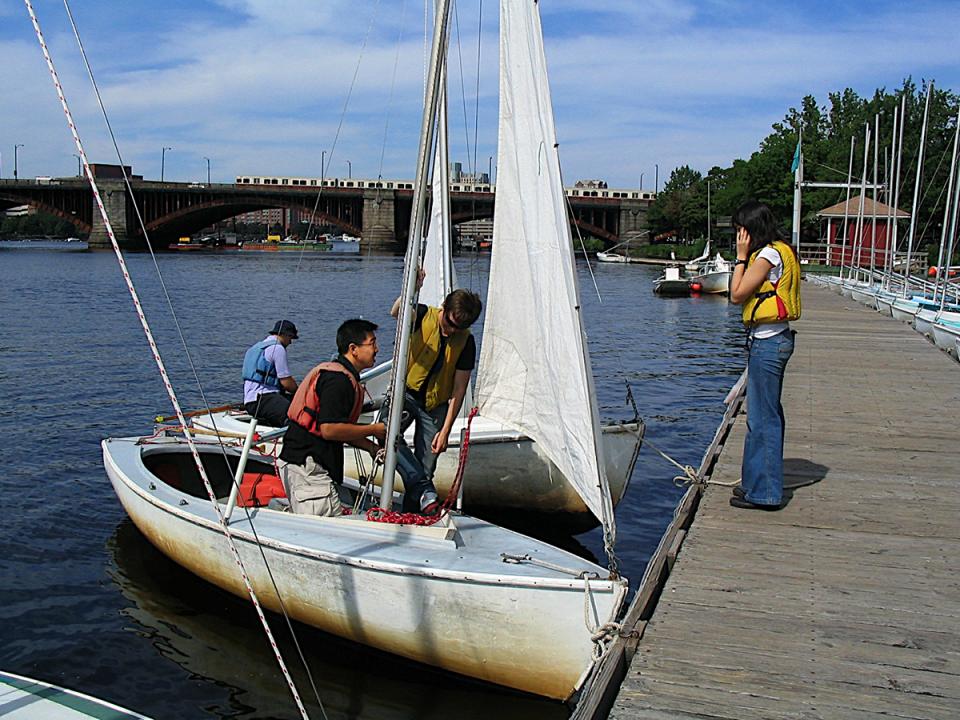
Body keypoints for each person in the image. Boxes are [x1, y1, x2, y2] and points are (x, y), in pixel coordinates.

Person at [728, 200, 801, 510]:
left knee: (762, 419)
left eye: (740, 231)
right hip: (771, 341)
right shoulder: (779, 250)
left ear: (750, 230)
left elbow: (736, 294)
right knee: (763, 416)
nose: (738, 236)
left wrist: (740, 258)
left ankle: (766, 494)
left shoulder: (768, 254)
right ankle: (756, 484)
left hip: (769, 345)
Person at [389, 276, 482, 515]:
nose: (451, 331)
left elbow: (459, 389)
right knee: (387, 436)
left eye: (459, 328)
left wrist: (446, 430)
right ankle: (425, 490)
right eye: (450, 324)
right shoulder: (422, 315)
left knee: (428, 462)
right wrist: (412, 287)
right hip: (406, 394)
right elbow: (396, 312)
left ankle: (412, 514)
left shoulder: (466, 341)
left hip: (436, 404)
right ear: (444, 307)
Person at [278, 319, 386, 516]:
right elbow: (329, 429)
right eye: (372, 344)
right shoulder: (338, 381)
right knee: (321, 528)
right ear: (353, 349)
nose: (377, 349)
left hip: (307, 464)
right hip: (308, 468)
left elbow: (340, 428)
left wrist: (371, 447)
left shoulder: (342, 375)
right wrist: (374, 429)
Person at [242, 320, 300, 427]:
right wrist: (300, 393)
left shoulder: (257, 347)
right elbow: (286, 382)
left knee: (294, 403)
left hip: (250, 400)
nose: (290, 342)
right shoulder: (278, 349)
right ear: (285, 334)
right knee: (297, 411)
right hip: (262, 400)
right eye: (291, 338)